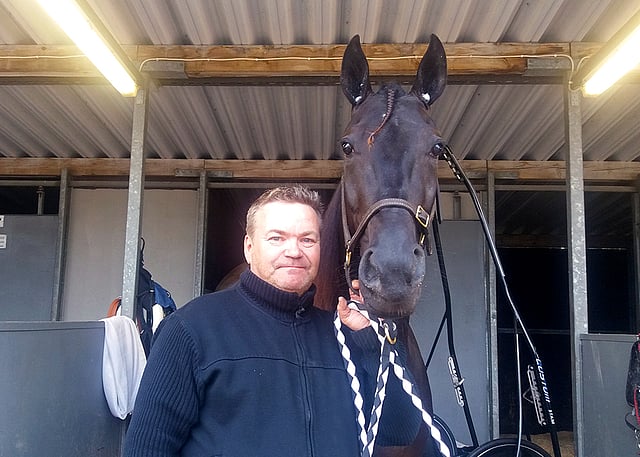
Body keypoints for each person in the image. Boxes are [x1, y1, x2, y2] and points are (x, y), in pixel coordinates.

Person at [123, 185, 421, 457]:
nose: (294, 252)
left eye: (307, 239)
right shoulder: (191, 328)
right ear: (249, 248)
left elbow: (399, 430)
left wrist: (372, 341)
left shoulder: (342, 335)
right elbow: (147, 448)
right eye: (277, 238)